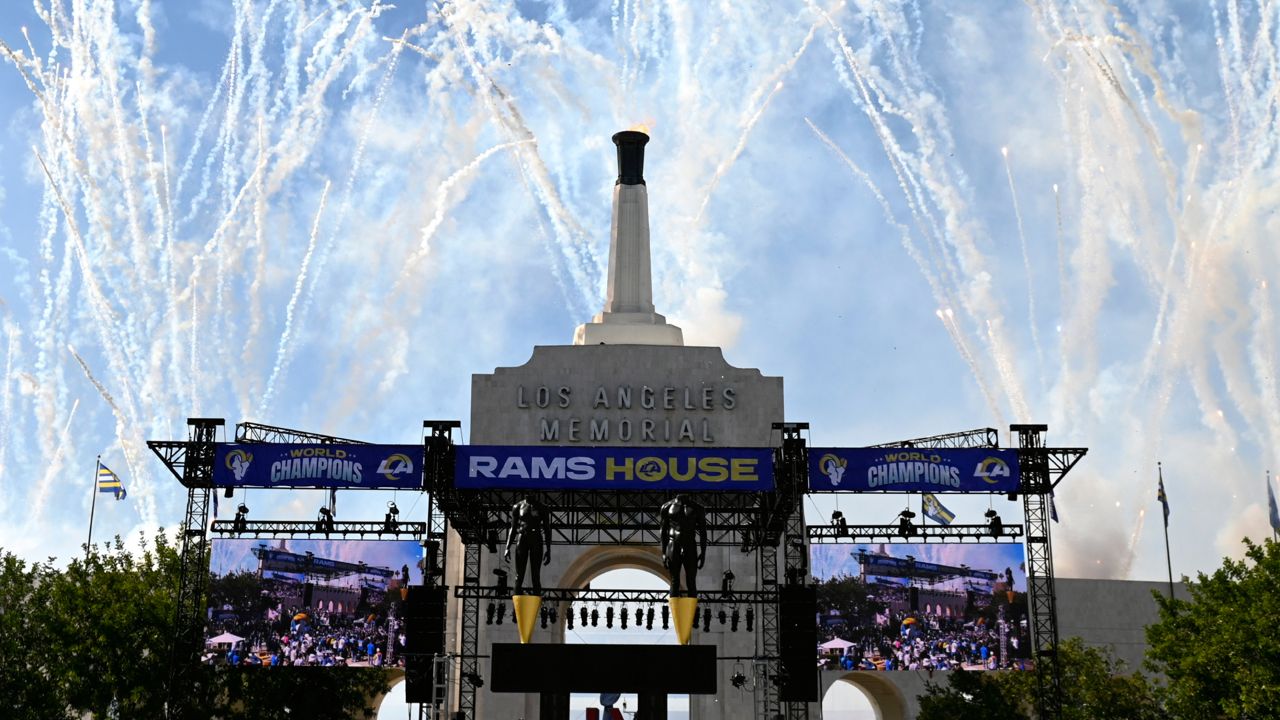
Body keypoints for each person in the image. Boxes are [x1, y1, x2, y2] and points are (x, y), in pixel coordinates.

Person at [659, 494, 707, 597]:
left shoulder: (698, 508)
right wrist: (663, 552)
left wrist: (703, 552)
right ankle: (676, 612)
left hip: (689, 544)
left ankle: (692, 613)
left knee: (691, 581)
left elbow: (703, 532)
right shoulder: (666, 506)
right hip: (673, 544)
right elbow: (663, 531)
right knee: (674, 581)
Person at [504, 494, 552, 594]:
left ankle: (535, 607)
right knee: (519, 575)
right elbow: (513, 528)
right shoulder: (517, 506)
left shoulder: (543, 507)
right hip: (522, 538)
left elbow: (547, 529)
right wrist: (507, 547)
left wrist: (548, 549)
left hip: (536, 539)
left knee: (536, 576)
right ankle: (516, 607)